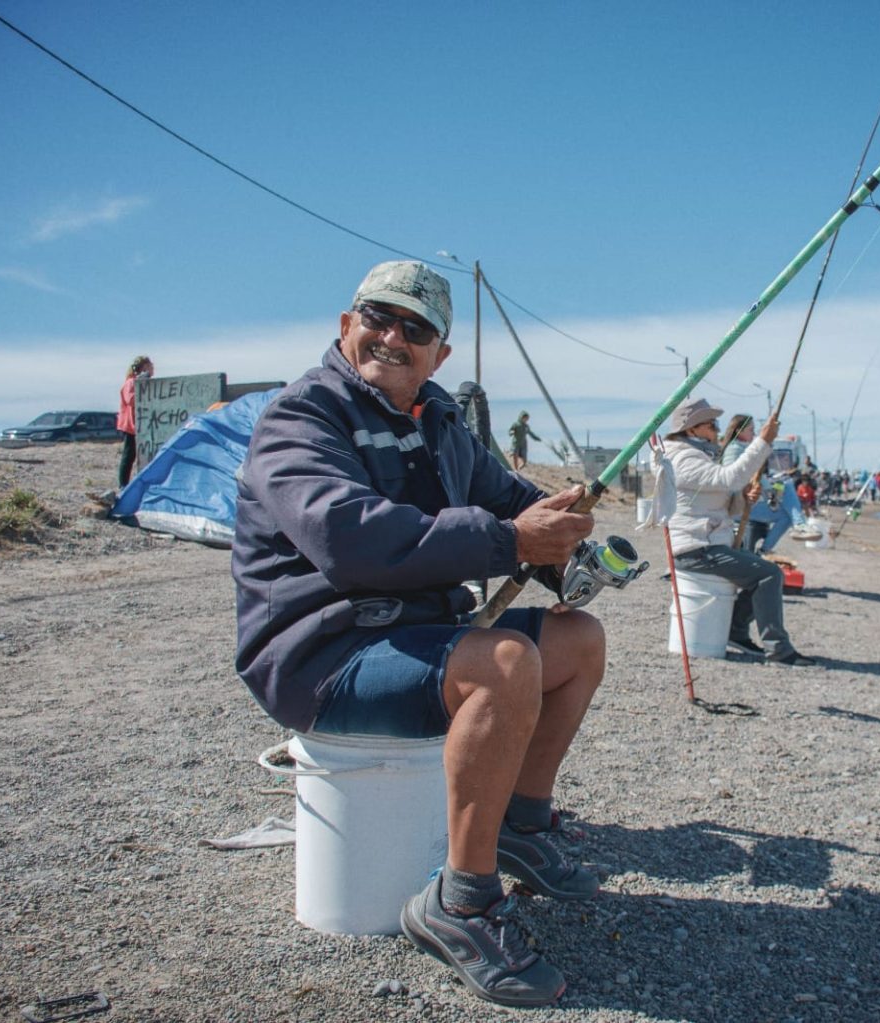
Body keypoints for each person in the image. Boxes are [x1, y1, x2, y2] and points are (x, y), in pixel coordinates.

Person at [232, 261, 605, 1008]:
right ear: (346, 325)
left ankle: (519, 824)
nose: (392, 337)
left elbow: (512, 499)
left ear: (441, 355)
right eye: (378, 317)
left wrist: (568, 544)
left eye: (416, 328)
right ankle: (463, 902)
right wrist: (510, 542)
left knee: (578, 640)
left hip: (412, 632)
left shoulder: (441, 421)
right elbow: (351, 538)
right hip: (321, 652)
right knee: (504, 661)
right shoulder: (301, 417)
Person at [658, 399, 817, 666]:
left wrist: (744, 498)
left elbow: (723, 501)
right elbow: (728, 479)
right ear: (692, 429)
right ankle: (777, 649)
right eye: (712, 424)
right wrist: (763, 442)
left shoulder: (694, 455)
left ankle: (737, 632)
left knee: (762, 574)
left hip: (705, 543)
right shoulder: (682, 458)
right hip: (696, 549)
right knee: (769, 574)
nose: (718, 430)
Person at [721, 414, 820, 552]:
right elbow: (732, 476)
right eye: (751, 430)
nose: (754, 433)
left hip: (749, 501)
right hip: (738, 505)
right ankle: (800, 524)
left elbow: (752, 472)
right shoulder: (734, 449)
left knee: (786, 516)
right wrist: (767, 486)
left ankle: (765, 550)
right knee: (787, 485)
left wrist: (769, 483)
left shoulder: (744, 447)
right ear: (739, 431)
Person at [116, 355, 153, 488]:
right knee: (129, 454)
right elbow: (131, 400)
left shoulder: (140, 382)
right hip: (130, 425)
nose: (152, 368)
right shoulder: (131, 382)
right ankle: (123, 484)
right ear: (142, 367)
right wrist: (140, 383)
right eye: (149, 366)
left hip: (139, 425)